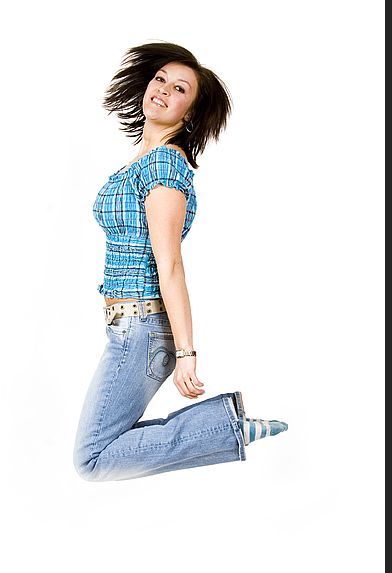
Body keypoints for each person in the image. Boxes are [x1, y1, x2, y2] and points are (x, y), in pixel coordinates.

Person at [73, 41, 288, 482]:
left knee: (91, 461)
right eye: (160, 80)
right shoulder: (142, 161)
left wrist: (187, 352)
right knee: (98, 453)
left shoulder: (166, 166)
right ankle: (224, 428)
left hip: (144, 328)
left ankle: (227, 427)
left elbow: (170, 263)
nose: (164, 90)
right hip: (127, 325)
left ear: (189, 113)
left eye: (180, 89)